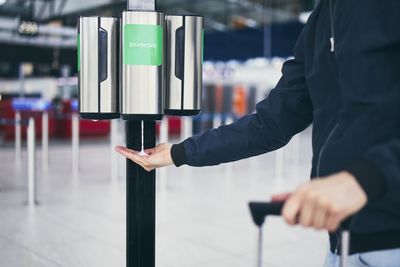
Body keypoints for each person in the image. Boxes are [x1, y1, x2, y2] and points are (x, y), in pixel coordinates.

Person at [116, 0, 400, 266]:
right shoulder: (321, 22)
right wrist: (180, 152)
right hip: (343, 243)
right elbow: (272, 122)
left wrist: (367, 177)